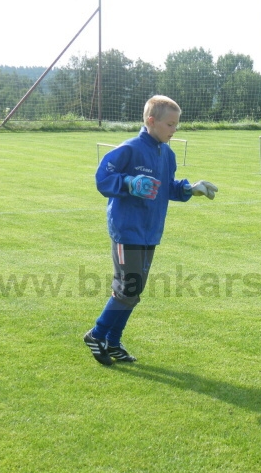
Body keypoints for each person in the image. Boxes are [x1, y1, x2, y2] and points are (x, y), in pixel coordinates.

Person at [83, 95, 218, 366]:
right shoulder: (130, 149)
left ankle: (113, 341)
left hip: (150, 231)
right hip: (127, 229)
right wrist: (129, 182)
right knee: (128, 289)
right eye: (170, 124)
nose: (174, 130)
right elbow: (103, 178)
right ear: (151, 121)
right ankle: (96, 334)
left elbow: (166, 187)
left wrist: (189, 189)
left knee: (133, 290)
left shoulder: (167, 154)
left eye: (177, 124)